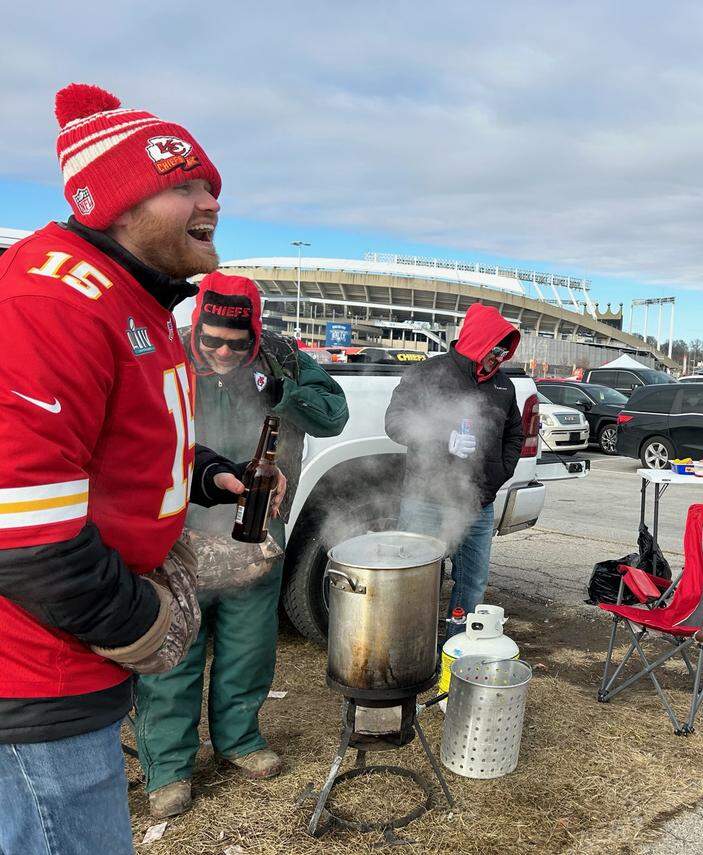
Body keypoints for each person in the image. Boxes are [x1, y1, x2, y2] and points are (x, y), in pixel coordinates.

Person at [0, 84, 259, 855]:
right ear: (116, 202)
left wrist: (205, 471)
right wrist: (148, 626)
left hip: (69, 659)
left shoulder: (132, 298)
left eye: (208, 182)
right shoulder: (50, 300)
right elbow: (23, 533)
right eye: (183, 184)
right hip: (37, 675)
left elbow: (118, 441)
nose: (209, 198)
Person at [132, 272, 349, 817]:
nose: (224, 352)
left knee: (249, 648)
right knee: (173, 654)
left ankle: (239, 741)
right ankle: (170, 767)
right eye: (212, 340)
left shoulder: (280, 360)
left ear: (253, 331)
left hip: (256, 537)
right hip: (178, 538)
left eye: (236, 342)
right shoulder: (163, 353)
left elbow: (334, 415)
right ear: (197, 323)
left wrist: (286, 394)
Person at [385, 303, 523, 633]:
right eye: (496, 347)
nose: (501, 356)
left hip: (477, 505)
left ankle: (454, 651)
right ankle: (410, 654)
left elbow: (515, 433)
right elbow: (395, 422)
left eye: (506, 349)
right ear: (477, 341)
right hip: (426, 500)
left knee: (472, 585)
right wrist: (443, 439)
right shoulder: (427, 373)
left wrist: (500, 471)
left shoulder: (504, 386)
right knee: (416, 581)